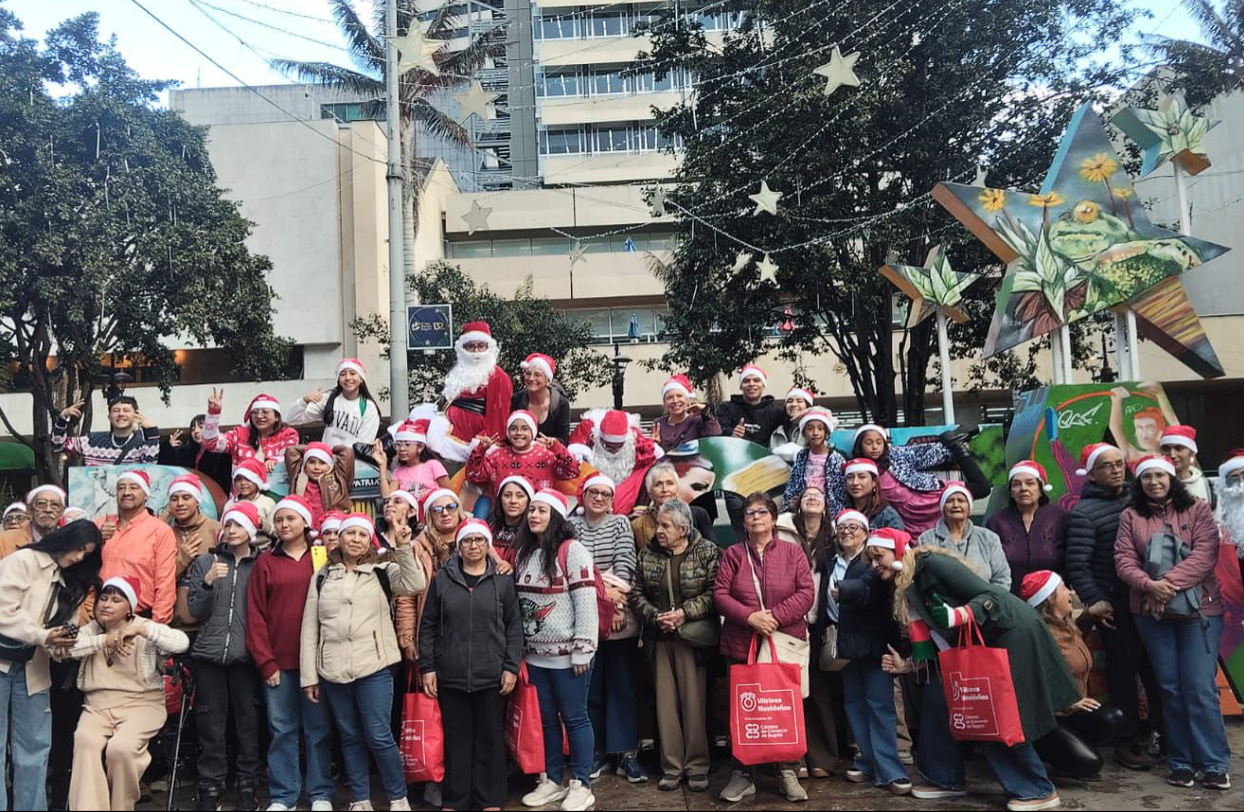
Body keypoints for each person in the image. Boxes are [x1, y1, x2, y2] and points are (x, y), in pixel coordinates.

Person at [868, 534, 1076, 812]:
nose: (873, 564)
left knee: (993, 712)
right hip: (968, 646)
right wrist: (908, 665)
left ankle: (1036, 788)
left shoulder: (932, 564)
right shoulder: (904, 583)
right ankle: (943, 778)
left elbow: (988, 595)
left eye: (877, 556)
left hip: (1006, 633)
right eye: (869, 559)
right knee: (938, 697)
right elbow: (933, 642)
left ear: (896, 551)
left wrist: (959, 615)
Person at [1114, 454, 1230, 791]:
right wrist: (1149, 586)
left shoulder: (1197, 509)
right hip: (1151, 613)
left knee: (1199, 687)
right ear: (1139, 482)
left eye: (1160, 476)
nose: (1154, 482)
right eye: (1147, 477)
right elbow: (1123, 559)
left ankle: (1213, 763)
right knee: (1169, 688)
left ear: (1171, 479)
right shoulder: (1130, 515)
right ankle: (1180, 762)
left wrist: (1165, 585)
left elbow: (1205, 555)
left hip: (1200, 612)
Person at [301, 512, 425, 812]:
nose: (355, 539)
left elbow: (414, 582)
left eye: (361, 534)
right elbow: (310, 627)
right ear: (339, 538)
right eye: (349, 533)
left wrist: (404, 546)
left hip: (375, 665)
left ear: (369, 539)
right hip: (332, 668)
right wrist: (309, 676)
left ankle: (398, 797)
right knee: (350, 735)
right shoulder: (322, 576)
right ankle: (360, 799)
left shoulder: (383, 569)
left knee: (378, 734)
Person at [714, 491, 814, 804]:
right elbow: (720, 594)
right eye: (749, 513)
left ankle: (787, 771)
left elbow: (806, 592)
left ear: (773, 517)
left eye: (761, 512)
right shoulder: (732, 554)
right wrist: (750, 617)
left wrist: (774, 618)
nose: (755, 517)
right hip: (742, 643)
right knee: (744, 711)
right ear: (743, 522)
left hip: (783, 642)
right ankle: (743, 774)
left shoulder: (792, 552)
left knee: (784, 708)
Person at [1064, 442, 1160, 770]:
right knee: (1123, 674)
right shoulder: (1084, 512)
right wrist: (1095, 600)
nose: (1117, 469)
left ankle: (1163, 734)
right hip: (1115, 605)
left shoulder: (1142, 499)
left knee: (1157, 670)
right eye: (1107, 466)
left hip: (1151, 599)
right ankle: (1127, 741)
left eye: (1120, 463)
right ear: (1091, 473)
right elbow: (1077, 564)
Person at [418, 519, 523, 812]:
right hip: (451, 674)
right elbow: (427, 625)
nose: (473, 546)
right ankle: (456, 799)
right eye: (467, 541)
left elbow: (515, 628)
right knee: (457, 739)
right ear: (459, 546)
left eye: (479, 540)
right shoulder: (443, 579)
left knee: (490, 738)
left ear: (488, 545)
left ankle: (489, 799)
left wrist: (510, 667)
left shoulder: (502, 581)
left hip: (491, 674)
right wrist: (428, 666)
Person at [0, 520, 102, 812]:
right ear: (65, 538)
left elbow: (64, 630)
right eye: (79, 549)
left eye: (87, 554)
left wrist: (62, 645)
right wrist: (43, 635)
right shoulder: (23, 560)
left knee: (35, 749)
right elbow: (4, 611)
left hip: (35, 667)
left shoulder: (71, 579)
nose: (79, 557)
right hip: (3, 661)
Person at [67, 575, 190, 811]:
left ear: (129, 608)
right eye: (103, 598)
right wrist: (105, 641)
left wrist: (143, 629)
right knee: (85, 741)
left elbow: (181, 642)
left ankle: (121, 806)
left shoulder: (143, 627)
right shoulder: (91, 630)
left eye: (115, 600)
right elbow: (67, 649)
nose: (106, 604)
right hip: (97, 707)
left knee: (121, 748)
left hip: (142, 705)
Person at [246, 496, 333, 812]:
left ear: (306, 523)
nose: (284, 525)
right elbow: (255, 614)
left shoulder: (322, 557)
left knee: (318, 729)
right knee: (282, 729)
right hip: (278, 663)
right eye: (279, 520)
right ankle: (284, 795)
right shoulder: (266, 562)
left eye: (291, 519)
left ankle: (320, 792)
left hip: (317, 663)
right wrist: (265, 661)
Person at [515, 490, 599, 812]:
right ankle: (551, 779)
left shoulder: (572, 550)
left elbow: (586, 603)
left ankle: (581, 783)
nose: (533, 515)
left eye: (541, 511)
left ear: (557, 517)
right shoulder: (525, 552)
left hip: (569, 657)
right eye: (531, 510)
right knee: (547, 720)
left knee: (575, 718)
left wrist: (583, 649)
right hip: (535, 656)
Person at [630, 499, 720, 793]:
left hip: (692, 639)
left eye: (666, 526)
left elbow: (714, 591)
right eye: (658, 525)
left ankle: (696, 766)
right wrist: (655, 617)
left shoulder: (706, 550)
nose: (659, 531)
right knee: (665, 706)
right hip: (660, 639)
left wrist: (685, 612)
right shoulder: (648, 554)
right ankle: (671, 767)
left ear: (683, 529)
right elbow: (636, 593)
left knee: (693, 704)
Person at [186, 502, 264, 812]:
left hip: (246, 656)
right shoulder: (206, 561)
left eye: (239, 525)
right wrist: (206, 583)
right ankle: (211, 785)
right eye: (228, 524)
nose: (231, 530)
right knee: (210, 724)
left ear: (251, 531)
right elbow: (195, 609)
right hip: (208, 655)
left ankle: (247, 783)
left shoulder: (261, 564)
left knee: (248, 722)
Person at [568, 474, 644, 784]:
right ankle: (596, 750)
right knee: (591, 687)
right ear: (583, 496)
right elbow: (575, 569)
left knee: (622, 684)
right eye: (593, 493)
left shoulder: (620, 524)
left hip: (618, 615)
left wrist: (617, 606)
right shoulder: (570, 527)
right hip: (583, 615)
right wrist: (604, 596)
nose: (599, 498)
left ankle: (625, 752)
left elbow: (625, 563)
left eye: (604, 494)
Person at [1022, 570, 1126, 782]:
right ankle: (1046, 753)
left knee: (1113, 717)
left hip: (1073, 713)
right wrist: (1067, 702)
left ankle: (1073, 747)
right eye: (1062, 588)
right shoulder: (1038, 635)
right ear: (1050, 599)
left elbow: (1070, 648)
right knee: (1090, 765)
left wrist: (1088, 617)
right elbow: (1032, 686)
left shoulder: (1067, 624)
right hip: (1049, 720)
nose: (1070, 592)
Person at [832, 526, 911, 796]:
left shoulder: (878, 570)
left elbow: (866, 590)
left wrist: (842, 590)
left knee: (880, 708)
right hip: (853, 648)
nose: (848, 533)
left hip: (878, 649)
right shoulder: (862, 562)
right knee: (855, 706)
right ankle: (867, 761)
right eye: (843, 529)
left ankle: (890, 770)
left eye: (854, 528)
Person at [791, 497, 854, 777]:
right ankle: (793, 756)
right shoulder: (785, 533)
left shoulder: (833, 540)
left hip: (820, 624)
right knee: (791, 693)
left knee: (819, 694)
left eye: (818, 494)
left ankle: (822, 758)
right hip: (790, 623)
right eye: (807, 494)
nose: (813, 498)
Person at [848, 423, 990, 536]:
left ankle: (956, 444)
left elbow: (920, 455)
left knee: (982, 488)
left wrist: (949, 446)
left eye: (879, 442)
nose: (874, 447)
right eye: (869, 442)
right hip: (908, 514)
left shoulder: (893, 455)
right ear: (860, 445)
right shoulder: (857, 470)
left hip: (928, 494)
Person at [426, 321, 514, 463]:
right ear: (463, 349)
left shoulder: (498, 377)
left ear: (488, 347)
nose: (476, 351)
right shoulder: (458, 372)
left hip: (471, 438)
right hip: (447, 428)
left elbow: (499, 415)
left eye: (480, 346)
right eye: (470, 346)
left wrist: (487, 441)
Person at [98, 470, 178, 623]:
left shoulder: (160, 531)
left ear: (146, 494)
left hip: (140, 619)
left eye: (134, 487)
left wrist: (157, 627)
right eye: (121, 488)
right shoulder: (102, 525)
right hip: (100, 618)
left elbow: (165, 584)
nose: (126, 492)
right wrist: (96, 539)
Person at [986, 461, 1069, 595]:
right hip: (1010, 600)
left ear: (1041, 488)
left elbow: (1072, 561)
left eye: (1030, 483)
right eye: (1016, 484)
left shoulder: (1061, 518)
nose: (1023, 488)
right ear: (1011, 491)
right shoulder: (997, 522)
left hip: (1054, 598)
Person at [567, 409, 663, 515]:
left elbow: (655, 455)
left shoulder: (636, 447)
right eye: (607, 445)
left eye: (617, 447)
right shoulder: (588, 445)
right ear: (599, 439)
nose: (612, 451)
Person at [466, 410, 580, 499]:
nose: (519, 433)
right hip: (505, 516)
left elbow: (573, 471)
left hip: (538, 516)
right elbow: (473, 475)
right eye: (513, 429)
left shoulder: (547, 456)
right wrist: (480, 449)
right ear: (508, 433)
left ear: (533, 432)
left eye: (524, 429)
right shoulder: (497, 456)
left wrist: (557, 448)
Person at [919, 482, 1011, 589]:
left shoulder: (989, 538)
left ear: (969, 509)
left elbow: (1002, 578)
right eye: (949, 501)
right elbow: (923, 578)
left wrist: (986, 602)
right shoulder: (926, 539)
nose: (956, 505)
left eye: (961, 501)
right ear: (943, 508)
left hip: (984, 602)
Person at [285, 358, 381, 447]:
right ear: (338, 380)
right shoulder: (328, 399)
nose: (348, 378)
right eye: (342, 374)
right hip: (325, 460)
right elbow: (292, 420)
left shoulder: (369, 408)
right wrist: (304, 401)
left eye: (353, 373)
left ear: (361, 379)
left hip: (351, 462)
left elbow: (364, 443)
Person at [200, 389, 301, 471]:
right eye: (255, 413)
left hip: (279, 494)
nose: (259, 416)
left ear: (277, 417)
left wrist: (275, 460)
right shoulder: (239, 434)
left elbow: (290, 458)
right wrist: (213, 414)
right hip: (242, 494)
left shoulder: (288, 434)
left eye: (265, 412)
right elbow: (211, 444)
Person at [52, 395, 160, 467]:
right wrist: (63, 418)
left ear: (136, 415)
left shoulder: (142, 444)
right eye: (116, 411)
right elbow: (57, 445)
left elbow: (150, 467)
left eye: (126, 410)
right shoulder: (91, 441)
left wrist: (152, 432)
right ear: (109, 417)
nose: (121, 414)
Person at [631, 462, 715, 547]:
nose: (665, 489)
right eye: (658, 485)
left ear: (677, 489)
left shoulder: (698, 515)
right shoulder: (638, 525)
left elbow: (714, 552)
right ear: (650, 492)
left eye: (670, 483)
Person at [782, 408, 847, 514]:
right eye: (810, 429)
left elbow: (840, 491)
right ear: (804, 433)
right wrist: (792, 502)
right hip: (804, 508)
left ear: (826, 433)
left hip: (828, 511)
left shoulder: (836, 459)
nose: (815, 433)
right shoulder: (801, 457)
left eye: (820, 429)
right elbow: (793, 484)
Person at [374, 419, 451, 505]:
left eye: (407, 444)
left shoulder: (433, 465)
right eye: (398, 445)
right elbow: (388, 499)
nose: (402, 449)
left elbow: (449, 494)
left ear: (420, 447)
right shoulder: (398, 472)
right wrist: (382, 466)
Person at [162, 474, 220, 582]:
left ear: (197, 501)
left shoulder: (216, 528)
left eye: (186, 498)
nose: (180, 503)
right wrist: (183, 560)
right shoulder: (166, 533)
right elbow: (159, 578)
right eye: (174, 499)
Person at [716, 365, 788, 448]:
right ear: (741, 386)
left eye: (756, 380)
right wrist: (731, 434)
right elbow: (717, 433)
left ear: (763, 385)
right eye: (746, 381)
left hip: (766, 458)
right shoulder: (726, 408)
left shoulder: (776, 412)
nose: (751, 384)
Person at [285, 441, 356, 525]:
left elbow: (347, 451)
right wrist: (312, 448)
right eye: (311, 462)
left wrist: (328, 449)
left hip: (331, 528)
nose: (316, 467)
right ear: (305, 464)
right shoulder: (298, 474)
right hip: (305, 529)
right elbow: (291, 451)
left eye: (322, 463)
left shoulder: (339, 476)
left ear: (330, 465)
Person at [512, 353, 572, 444]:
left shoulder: (560, 404)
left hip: (550, 454)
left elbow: (564, 439)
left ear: (548, 381)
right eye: (528, 373)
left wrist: (551, 442)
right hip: (522, 454)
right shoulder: (516, 400)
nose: (531, 378)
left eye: (537, 375)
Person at [653, 375, 721, 452]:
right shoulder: (658, 424)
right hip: (665, 463)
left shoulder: (698, 421)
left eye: (679, 396)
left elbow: (714, 436)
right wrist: (653, 445)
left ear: (687, 399)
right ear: (664, 403)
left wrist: (705, 410)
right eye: (669, 398)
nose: (675, 401)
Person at [0, 484, 66, 559]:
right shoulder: (4, 540)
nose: (48, 510)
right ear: (29, 510)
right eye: (41, 504)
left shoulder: (69, 542)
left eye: (55, 505)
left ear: (61, 513)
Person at [224, 459, 279, 549]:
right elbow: (223, 530)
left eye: (248, 479)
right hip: (234, 551)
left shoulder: (268, 503)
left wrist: (262, 524)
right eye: (238, 479)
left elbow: (277, 532)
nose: (243, 483)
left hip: (261, 551)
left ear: (256, 481)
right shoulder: (230, 504)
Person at [840, 458, 905, 531]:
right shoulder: (841, 510)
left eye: (862, 477)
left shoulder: (888, 516)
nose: (855, 482)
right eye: (850, 477)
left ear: (874, 482)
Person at [1159, 425, 1214, 506]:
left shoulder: (1208, 487)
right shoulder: (1154, 487)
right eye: (1166, 449)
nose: (1172, 455)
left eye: (1179, 448)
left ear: (1191, 452)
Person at [489, 475, 534, 565]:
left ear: (529, 500)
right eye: (507, 495)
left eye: (520, 496)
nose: (513, 501)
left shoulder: (533, 533)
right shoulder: (489, 529)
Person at [770, 387, 816, 461]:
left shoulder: (815, 429)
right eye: (790, 401)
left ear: (807, 406)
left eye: (799, 401)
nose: (793, 404)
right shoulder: (777, 433)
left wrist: (811, 411)